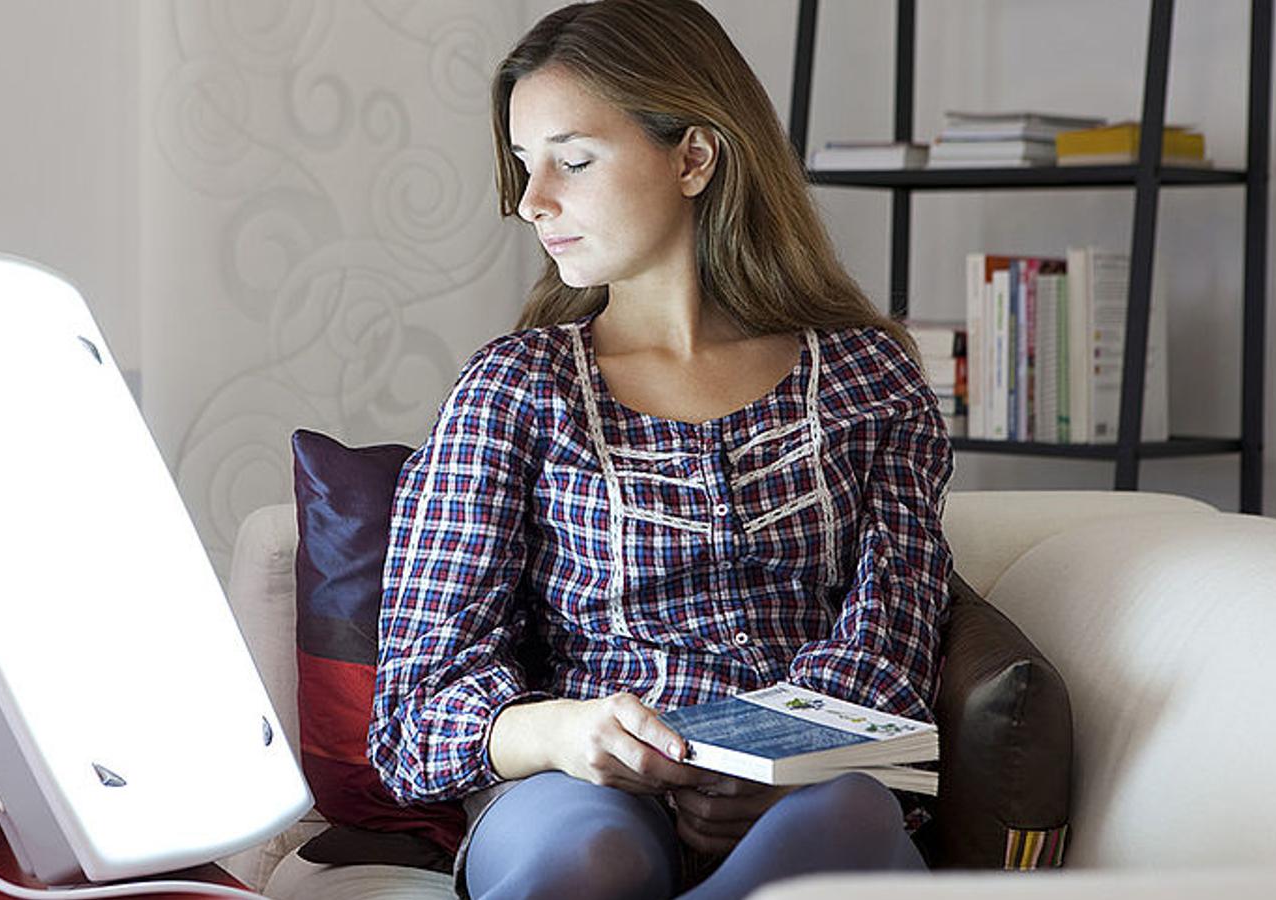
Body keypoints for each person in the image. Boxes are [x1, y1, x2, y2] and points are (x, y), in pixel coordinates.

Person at [368, 1, 954, 897]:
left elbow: (892, 634)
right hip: (577, 790)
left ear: (693, 155)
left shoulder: (866, 377)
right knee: (582, 855)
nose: (532, 202)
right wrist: (566, 732)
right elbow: (417, 707)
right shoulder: (515, 387)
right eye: (525, 165)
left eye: (572, 159)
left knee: (843, 818)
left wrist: (778, 763)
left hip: (809, 790)